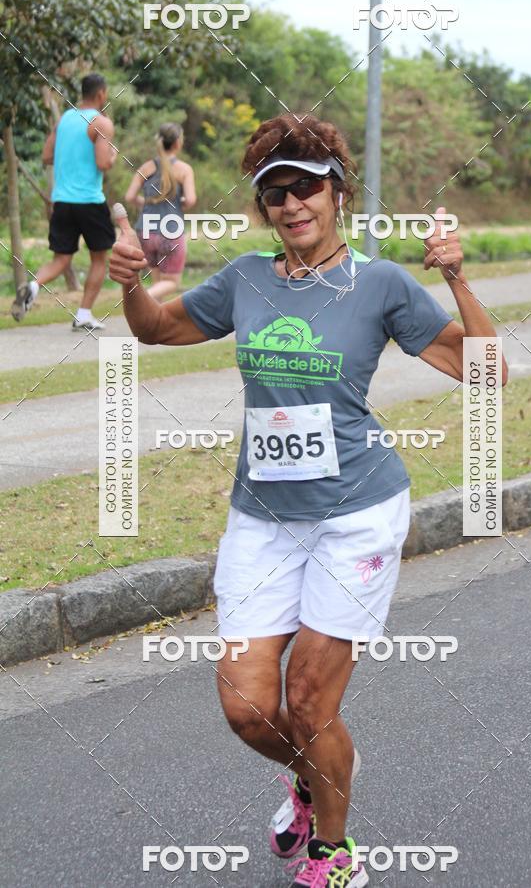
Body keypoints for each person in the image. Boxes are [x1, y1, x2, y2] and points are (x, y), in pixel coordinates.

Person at [109, 113, 509, 887]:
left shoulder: (382, 283)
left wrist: (456, 277)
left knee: (308, 696)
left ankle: (334, 849)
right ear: (264, 207)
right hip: (260, 516)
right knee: (247, 706)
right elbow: (158, 328)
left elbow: (485, 371)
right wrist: (129, 288)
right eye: (275, 192)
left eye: (307, 187)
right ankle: (310, 776)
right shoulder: (247, 281)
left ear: (338, 194)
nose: (292, 205)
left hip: (356, 512)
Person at [11, 72, 117, 330]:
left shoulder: (65, 120)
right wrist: (113, 155)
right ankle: (83, 314)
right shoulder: (102, 123)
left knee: (61, 259)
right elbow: (103, 163)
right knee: (99, 259)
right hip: (90, 201)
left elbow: (46, 156)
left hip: (62, 201)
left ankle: (33, 286)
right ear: (101, 94)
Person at [124, 122, 196, 302]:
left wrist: (147, 202)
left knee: (157, 282)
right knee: (172, 283)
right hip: (170, 231)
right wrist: (180, 205)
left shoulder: (146, 167)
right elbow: (191, 200)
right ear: (178, 143)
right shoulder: (184, 169)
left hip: (145, 232)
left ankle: (154, 325)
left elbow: (130, 196)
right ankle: (144, 298)